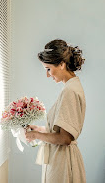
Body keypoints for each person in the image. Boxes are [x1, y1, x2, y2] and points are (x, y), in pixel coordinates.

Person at [25, 39, 86, 183]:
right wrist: (41, 129)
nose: (48, 75)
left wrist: (36, 135)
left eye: (48, 69)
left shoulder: (69, 91)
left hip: (63, 161)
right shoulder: (72, 86)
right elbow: (62, 130)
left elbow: (65, 139)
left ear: (61, 64)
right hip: (60, 158)